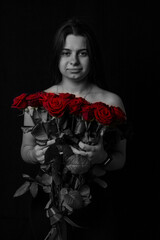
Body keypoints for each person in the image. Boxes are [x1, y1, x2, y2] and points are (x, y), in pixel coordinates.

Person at [21, 18, 126, 240]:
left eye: (83, 53)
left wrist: (102, 158)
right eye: (66, 52)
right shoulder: (37, 102)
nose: (74, 61)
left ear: (93, 56)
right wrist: (36, 154)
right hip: (49, 203)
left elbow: (121, 158)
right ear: (57, 56)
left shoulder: (112, 102)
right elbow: (25, 150)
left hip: (98, 206)